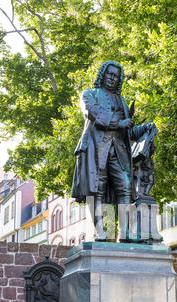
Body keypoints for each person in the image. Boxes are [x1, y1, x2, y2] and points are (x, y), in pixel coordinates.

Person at [71, 60, 153, 241]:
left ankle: (125, 233)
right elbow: (92, 113)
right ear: (103, 74)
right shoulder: (89, 94)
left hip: (118, 151)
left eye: (116, 76)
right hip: (95, 149)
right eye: (110, 74)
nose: (112, 78)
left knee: (124, 186)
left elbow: (128, 131)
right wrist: (118, 122)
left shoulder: (122, 101)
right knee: (96, 190)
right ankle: (101, 232)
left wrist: (144, 128)